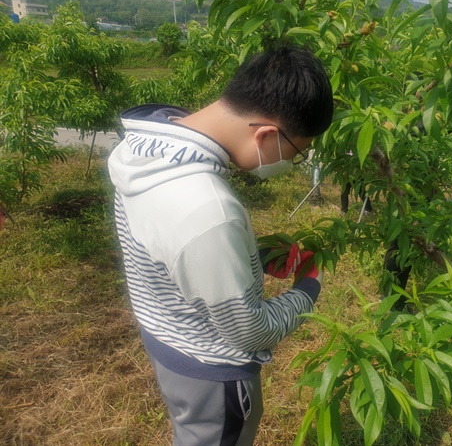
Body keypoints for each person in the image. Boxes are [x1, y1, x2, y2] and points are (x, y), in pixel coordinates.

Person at [107, 46, 333, 446]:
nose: (290, 164)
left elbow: (170, 249)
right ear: (266, 134)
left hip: (166, 337)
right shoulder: (208, 210)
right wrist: (309, 286)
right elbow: (250, 333)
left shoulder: (140, 148)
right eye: (295, 154)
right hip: (211, 373)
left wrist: (251, 258)